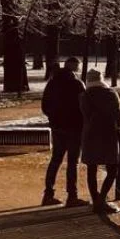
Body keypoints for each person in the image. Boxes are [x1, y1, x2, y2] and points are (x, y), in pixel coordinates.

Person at [41, 57, 87, 207]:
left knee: (56, 160)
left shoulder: (52, 83)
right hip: (74, 128)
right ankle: (72, 196)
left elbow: (45, 105)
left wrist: (54, 118)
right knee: (72, 163)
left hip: (58, 127)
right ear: (74, 66)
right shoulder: (77, 84)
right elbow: (84, 105)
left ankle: (48, 194)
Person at [80, 69, 120, 214]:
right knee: (112, 170)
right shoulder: (112, 94)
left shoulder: (84, 96)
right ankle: (101, 199)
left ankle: (96, 200)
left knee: (91, 169)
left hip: (90, 135)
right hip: (108, 135)